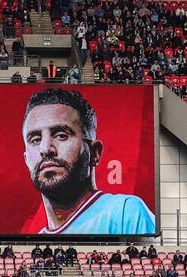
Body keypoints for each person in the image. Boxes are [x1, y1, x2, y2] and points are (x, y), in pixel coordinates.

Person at [18, 89, 155, 235]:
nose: (45, 148)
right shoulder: (35, 241)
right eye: (35, 140)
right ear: (26, 160)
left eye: (61, 136)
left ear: (95, 152)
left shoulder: (125, 212)